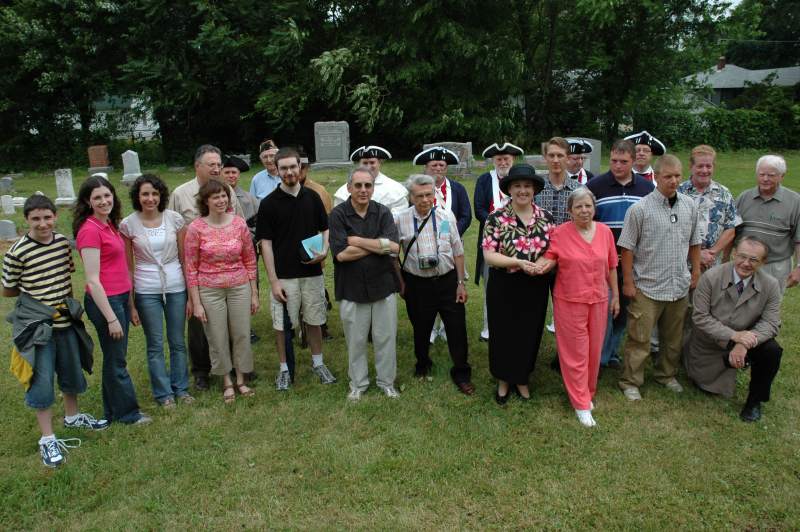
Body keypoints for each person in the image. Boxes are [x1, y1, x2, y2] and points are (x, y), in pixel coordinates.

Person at [3, 195, 108, 468]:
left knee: (71, 369)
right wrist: (37, 299)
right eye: (35, 219)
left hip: (65, 321)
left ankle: (72, 416)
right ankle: (47, 438)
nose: (42, 224)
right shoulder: (17, 252)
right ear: (26, 220)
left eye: (47, 217)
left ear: (55, 217)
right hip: (38, 328)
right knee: (41, 376)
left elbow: (66, 275)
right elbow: (8, 289)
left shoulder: (62, 244)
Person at [617, 154, 701, 401]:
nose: (673, 181)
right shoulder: (639, 209)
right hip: (647, 286)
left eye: (677, 176)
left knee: (673, 338)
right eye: (668, 176)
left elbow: (695, 241)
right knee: (639, 338)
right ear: (656, 177)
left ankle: (666, 374)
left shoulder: (690, 206)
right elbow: (627, 248)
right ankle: (630, 380)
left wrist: (695, 270)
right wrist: (628, 281)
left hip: (678, 285)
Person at [534, 187, 619, 427]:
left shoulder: (604, 232)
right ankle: (580, 403)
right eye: (578, 206)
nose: (584, 210)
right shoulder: (560, 233)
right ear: (570, 211)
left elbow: (612, 266)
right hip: (570, 300)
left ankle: (588, 392)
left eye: (588, 206)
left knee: (594, 351)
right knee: (575, 354)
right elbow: (549, 257)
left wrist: (616, 297)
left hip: (600, 299)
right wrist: (533, 266)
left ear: (594, 208)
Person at [257, 147, 336, 390]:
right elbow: (266, 244)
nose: (289, 172)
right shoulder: (269, 204)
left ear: (300, 168)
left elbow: (325, 228)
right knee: (282, 325)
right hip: (284, 276)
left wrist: (324, 250)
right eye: (284, 168)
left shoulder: (313, 197)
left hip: (311, 273)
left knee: (314, 319)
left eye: (293, 167)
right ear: (277, 170)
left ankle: (318, 363)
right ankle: (283, 369)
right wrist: (273, 281)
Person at [73, 175, 150, 425]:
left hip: (119, 298)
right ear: (88, 201)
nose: (104, 201)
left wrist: (129, 303)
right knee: (117, 360)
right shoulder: (89, 231)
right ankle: (129, 414)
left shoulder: (108, 225)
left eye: (107, 195)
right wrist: (112, 318)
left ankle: (112, 411)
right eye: (97, 198)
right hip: (104, 302)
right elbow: (93, 280)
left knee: (114, 357)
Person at [168, 144, 243, 391]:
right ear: (197, 166)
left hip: (230, 269)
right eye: (211, 164)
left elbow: (239, 224)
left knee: (230, 321)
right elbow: (173, 231)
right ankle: (201, 370)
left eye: (218, 164)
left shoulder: (227, 192)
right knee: (200, 322)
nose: (216, 168)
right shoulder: (181, 194)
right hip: (197, 268)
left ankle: (232, 367)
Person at [684, 236, 783, 422]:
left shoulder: (771, 285)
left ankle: (754, 401)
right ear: (734, 254)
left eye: (754, 259)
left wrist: (744, 342)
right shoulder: (711, 277)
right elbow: (700, 317)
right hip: (711, 342)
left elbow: (771, 322)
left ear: (763, 262)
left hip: (746, 338)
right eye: (742, 256)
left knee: (772, 351)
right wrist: (734, 336)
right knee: (704, 385)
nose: (746, 263)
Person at [395, 174, 475, 395]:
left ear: (434, 194)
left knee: (457, 327)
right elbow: (393, 255)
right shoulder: (400, 219)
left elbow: (458, 252)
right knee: (420, 327)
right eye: (419, 196)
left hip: (447, 281)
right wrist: (401, 282)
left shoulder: (446, 216)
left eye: (429, 194)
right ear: (411, 197)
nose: (424, 200)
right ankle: (422, 363)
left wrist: (461, 283)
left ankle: (461, 372)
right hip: (417, 283)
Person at [482, 164, 553, 403]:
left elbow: (552, 251)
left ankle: (522, 378)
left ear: (534, 189)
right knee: (503, 332)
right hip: (504, 283)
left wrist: (543, 263)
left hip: (535, 285)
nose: (522, 190)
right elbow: (489, 255)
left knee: (528, 332)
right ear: (509, 190)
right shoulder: (496, 218)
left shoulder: (546, 218)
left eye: (527, 186)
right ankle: (503, 380)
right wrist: (519, 262)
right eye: (517, 186)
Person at [120, 175, 193, 408]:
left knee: (177, 341)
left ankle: (181, 388)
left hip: (175, 286)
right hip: (146, 288)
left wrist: (191, 296)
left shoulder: (174, 219)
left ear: (161, 195)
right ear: (137, 197)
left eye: (154, 194)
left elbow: (184, 258)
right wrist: (131, 305)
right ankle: (163, 394)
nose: (150, 198)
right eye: (145, 194)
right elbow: (128, 267)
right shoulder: (128, 224)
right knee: (155, 343)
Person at [184, 180, 259, 404]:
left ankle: (241, 378)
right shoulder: (196, 228)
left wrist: (254, 292)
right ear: (205, 201)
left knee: (242, 333)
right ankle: (226, 380)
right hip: (209, 289)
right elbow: (190, 267)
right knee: (216, 335)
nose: (221, 200)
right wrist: (196, 302)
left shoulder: (238, 224)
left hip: (239, 286)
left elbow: (250, 259)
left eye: (224, 196)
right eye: (215, 197)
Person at [329, 167, 401, 400]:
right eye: (358, 185)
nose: (363, 190)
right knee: (356, 340)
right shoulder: (338, 215)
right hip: (351, 287)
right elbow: (341, 255)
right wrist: (378, 246)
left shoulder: (382, 213)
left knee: (386, 338)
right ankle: (358, 384)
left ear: (373, 188)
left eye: (367, 185)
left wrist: (357, 241)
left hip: (383, 285)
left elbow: (395, 247)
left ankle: (386, 382)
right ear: (349, 187)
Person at [587, 139, 654, 368]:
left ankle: (612, 351)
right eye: (614, 161)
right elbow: (588, 224)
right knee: (604, 310)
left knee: (623, 311)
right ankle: (600, 357)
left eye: (623, 162)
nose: (617, 166)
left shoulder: (646, 189)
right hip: (604, 262)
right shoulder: (595, 186)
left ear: (633, 161)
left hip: (634, 262)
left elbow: (650, 224)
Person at [412, 145, 472, 344]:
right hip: (424, 246)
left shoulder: (458, 188)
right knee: (428, 289)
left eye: (441, 165)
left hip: (452, 247)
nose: (438, 168)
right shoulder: (418, 191)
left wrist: (448, 234)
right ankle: (430, 327)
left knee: (451, 285)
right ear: (426, 168)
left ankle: (446, 327)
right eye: (433, 165)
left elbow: (466, 215)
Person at [474, 142, 523, 341]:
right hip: (490, 239)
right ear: (493, 161)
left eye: (506, 159)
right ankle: (489, 328)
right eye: (499, 159)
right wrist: (499, 227)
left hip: (519, 239)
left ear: (513, 160)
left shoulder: (520, 180)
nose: (503, 162)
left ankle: (513, 324)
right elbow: (479, 209)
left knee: (515, 285)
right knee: (491, 285)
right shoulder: (485, 180)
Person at [535, 137, 581, 337]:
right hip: (537, 258)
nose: (556, 160)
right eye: (551, 155)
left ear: (568, 158)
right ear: (545, 158)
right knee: (534, 310)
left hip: (566, 261)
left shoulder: (579, 191)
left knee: (566, 312)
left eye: (560, 156)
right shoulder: (534, 188)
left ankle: (563, 356)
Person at [735, 154, 800, 294]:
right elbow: (731, 232)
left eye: (771, 175)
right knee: (739, 305)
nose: (765, 179)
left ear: (782, 176)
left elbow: (799, 239)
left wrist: (799, 268)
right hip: (744, 264)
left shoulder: (795, 202)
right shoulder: (744, 197)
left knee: (770, 308)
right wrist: (725, 260)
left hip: (776, 265)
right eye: (761, 174)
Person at [677, 145, 738, 270]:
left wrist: (712, 252)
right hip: (681, 265)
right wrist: (696, 254)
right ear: (691, 167)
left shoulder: (724, 193)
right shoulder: (678, 193)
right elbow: (669, 228)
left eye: (708, 166)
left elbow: (731, 228)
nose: (704, 170)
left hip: (712, 265)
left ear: (713, 167)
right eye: (700, 166)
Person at [333, 145, 408, 214]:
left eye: (372, 162)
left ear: (379, 163)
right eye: (365, 163)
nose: (368, 166)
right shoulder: (343, 192)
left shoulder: (395, 189)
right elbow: (339, 216)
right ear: (359, 164)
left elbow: (399, 217)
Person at [222, 155, 258, 223]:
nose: (231, 175)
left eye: (234, 172)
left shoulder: (250, 199)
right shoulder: (213, 197)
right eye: (227, 173)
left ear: (238, 175)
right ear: (220, 174)